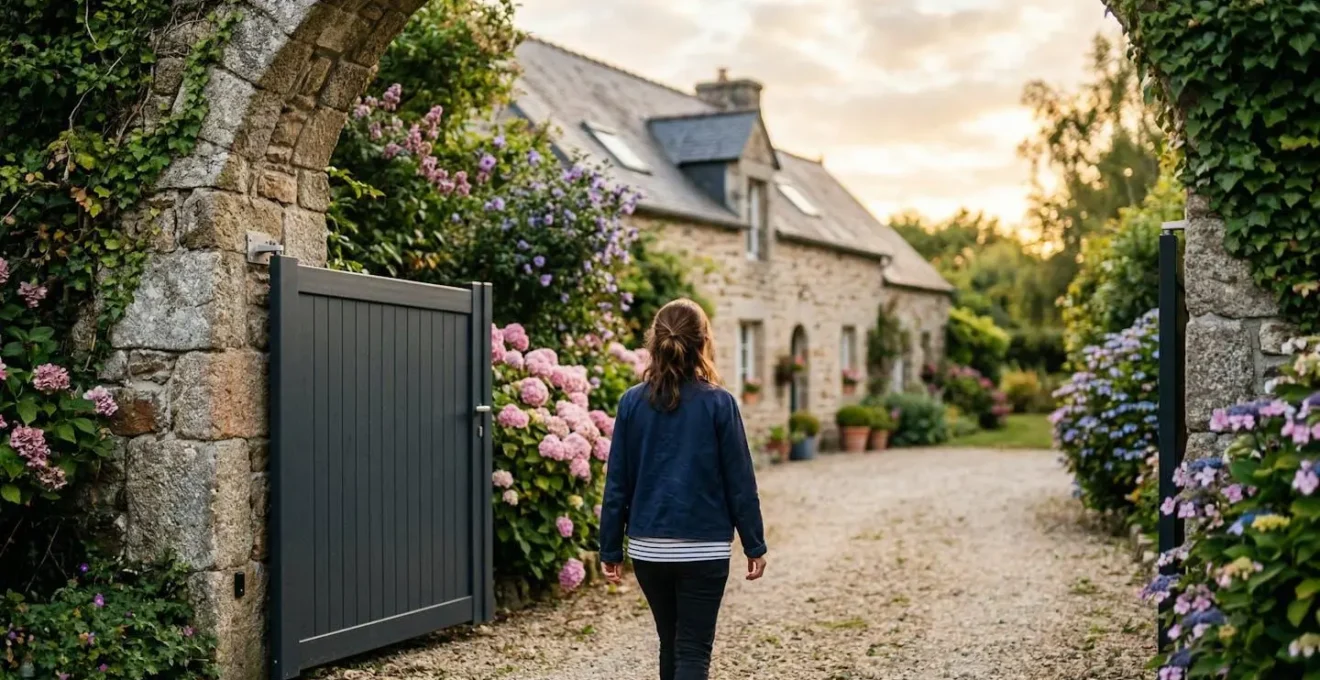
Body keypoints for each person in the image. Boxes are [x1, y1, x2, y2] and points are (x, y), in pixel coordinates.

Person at [599, 298, 768, 680]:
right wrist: (754, 543)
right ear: (704, 342)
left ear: (654, 342)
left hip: (648, 548)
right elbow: (740, 481)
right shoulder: (720, 403)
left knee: (670, 642)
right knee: (692, 649)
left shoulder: (630, 402)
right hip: (704, 548)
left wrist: (610, 547)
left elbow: (617, 485)